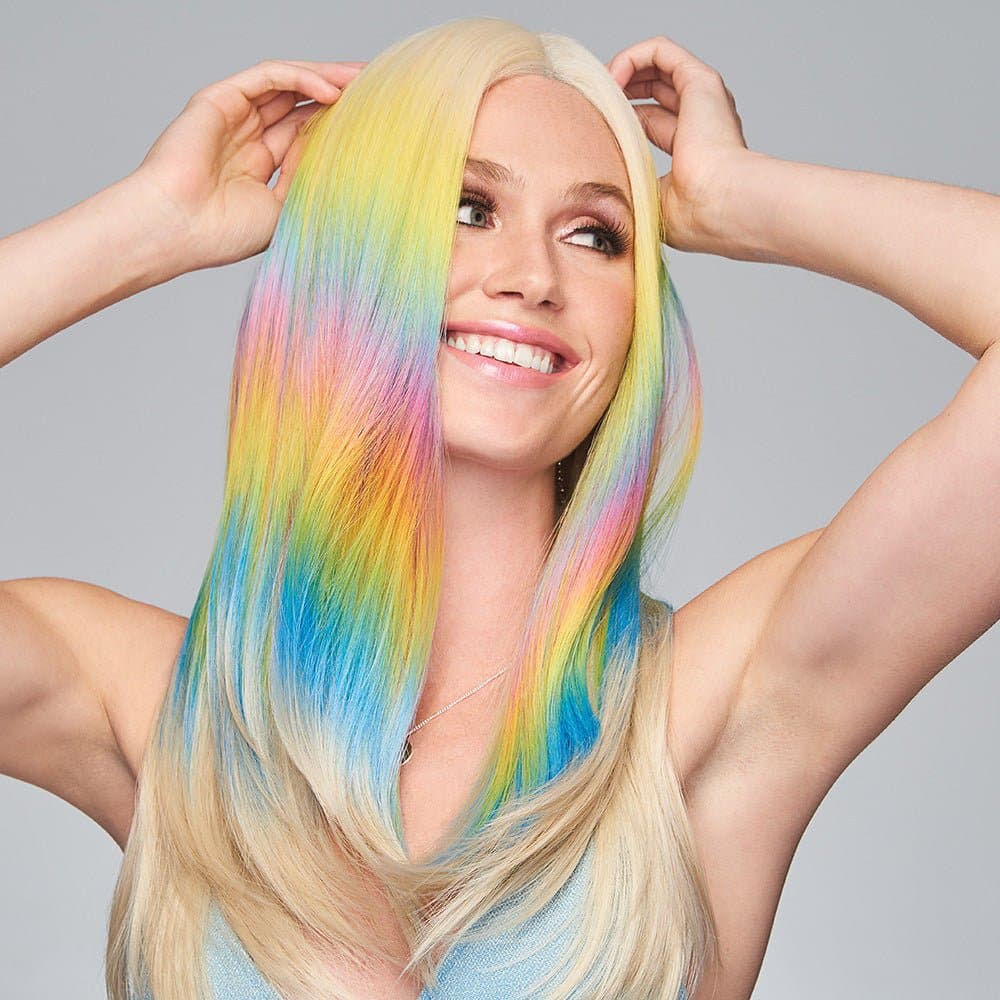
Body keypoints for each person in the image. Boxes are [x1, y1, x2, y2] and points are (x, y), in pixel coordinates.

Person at [1, 14, 998, 1000]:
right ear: (356, 247)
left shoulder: (711, 702)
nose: (533, 279)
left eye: (597, 235)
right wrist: (147, 224)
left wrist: (744, 199)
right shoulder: (157, 705)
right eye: (468, 208)